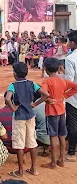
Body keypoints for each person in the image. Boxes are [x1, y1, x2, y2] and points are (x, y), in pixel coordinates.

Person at [5, 62, 49, 178]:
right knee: (32, 143)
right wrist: (35, 104)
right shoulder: (31, 83)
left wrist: (13, 108)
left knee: (20, 145)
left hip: (19, 117)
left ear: (15, 74)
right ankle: (33, 169)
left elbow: (7, 98)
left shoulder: (13, 85)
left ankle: (20, 171)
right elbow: (45, 94)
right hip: (30, 115)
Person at [33, 58, 77, 168]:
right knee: (62, 135)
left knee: (53, 136)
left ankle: (53, 162)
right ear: (58, 69)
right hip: (61, 109)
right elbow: (75, 87)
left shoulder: (46, 81)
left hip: (52, 111)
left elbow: (44, 94)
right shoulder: (62, 80)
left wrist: (37, 103)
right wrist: (64, 96)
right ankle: (61, 160)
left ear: (46, 70)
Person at [63, 30, 77, 162]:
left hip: (74, 97)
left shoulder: (71, 59)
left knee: (72, 124)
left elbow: (70, 81)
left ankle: (72, 151)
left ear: (73, 43)